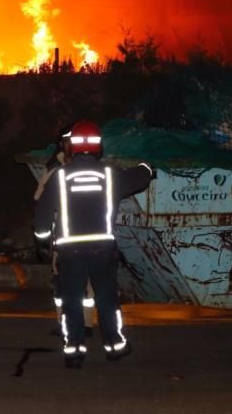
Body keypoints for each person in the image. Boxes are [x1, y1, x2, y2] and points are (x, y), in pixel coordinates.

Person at [34, 120, 154, 368]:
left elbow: (43, 212)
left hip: (70, 251)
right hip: (103, 250)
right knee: (107, 298)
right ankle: (114, 346)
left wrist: (42, 240)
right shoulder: (110, 175)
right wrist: (148, 167)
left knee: (71, 300)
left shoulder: (59, 177)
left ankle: (74, 349)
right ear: (99, 146)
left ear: (72, 146)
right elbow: (140, 177)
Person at [34, 124, 95, 332]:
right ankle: (64, 323)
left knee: (87, 283)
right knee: (61, 281)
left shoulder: (94, 168)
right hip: (63, 238)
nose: (71, 145)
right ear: (62, 144)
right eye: (67, 141)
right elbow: (40, 201)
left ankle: (86, 323)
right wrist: (44, 238)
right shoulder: (55, 171)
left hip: (90, 236)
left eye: (74, 140)